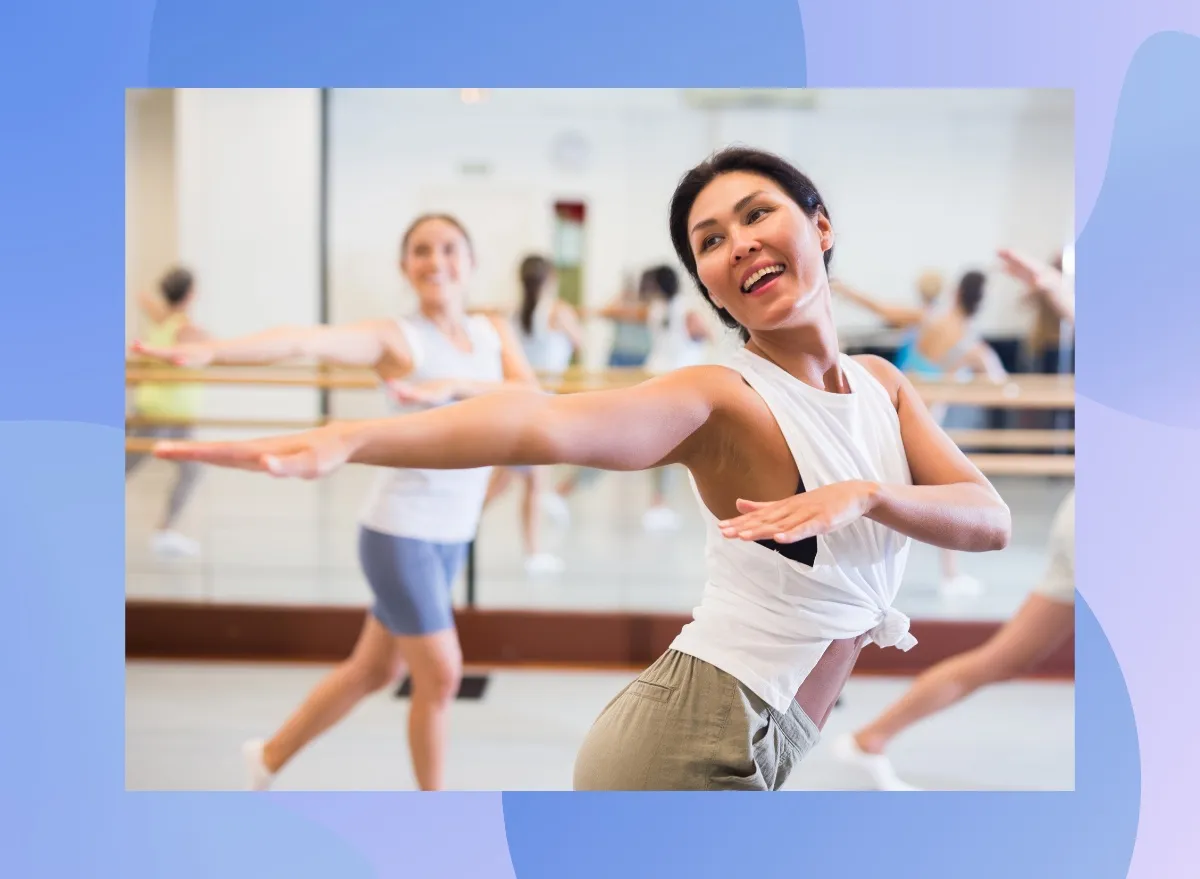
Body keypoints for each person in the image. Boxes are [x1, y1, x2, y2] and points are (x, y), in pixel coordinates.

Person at [153, 148, 1011, 791]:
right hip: (686, 742)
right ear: (711, 290)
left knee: (377, 665)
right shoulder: (722, 395)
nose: (738, 243)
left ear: (820, 228)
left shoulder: (883, 385)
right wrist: (352, 437)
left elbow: (989, 518)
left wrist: (868, 493)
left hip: (774, 737)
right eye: (710, 239)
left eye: (757, 215)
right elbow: (540, 420)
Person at [136, 214, 540, 791]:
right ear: (405, 267)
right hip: (401, 535)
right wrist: (215, 352)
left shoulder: (492, 331)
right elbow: (303, 340)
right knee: (442, 676)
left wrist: (454, 389)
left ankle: (269, 756)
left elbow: (533, 396)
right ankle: (438, 816)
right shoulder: (397, 337)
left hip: (452, 533)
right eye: (421, 250)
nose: (436, 261)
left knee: (374, 671)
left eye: (450, 248)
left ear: (471, 263)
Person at [832, 248, 1074, 791]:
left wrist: (845, 292)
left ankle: (871, 734)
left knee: (1002, 652)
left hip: (907, 415)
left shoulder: (936, 323)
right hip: (916, 418)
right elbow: (995, 378)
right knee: (934, 504)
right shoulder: (964, 337)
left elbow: (887, 310)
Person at [483, 254, 582, 574]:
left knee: (517, 481)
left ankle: (532, 551)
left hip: (518, 406)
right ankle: (532, 552)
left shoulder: (511, 313)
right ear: (550, 279)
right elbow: (580, 344)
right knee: (519, 483)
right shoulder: (559, 311)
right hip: (538, 409)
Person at [126, 266, 209, 558]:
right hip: (161, 413)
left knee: (193, 469)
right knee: (124, 467)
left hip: (171, 414)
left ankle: (166, 532)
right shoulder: (186, 329)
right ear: (191, 294)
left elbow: (147, 302)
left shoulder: (163, 321)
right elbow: (207, 349)